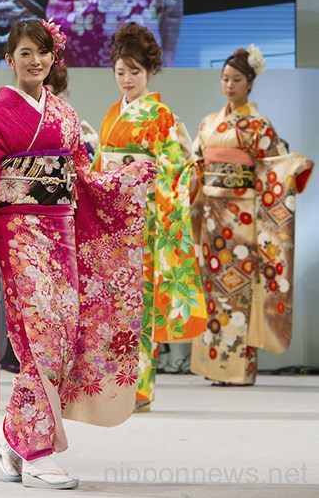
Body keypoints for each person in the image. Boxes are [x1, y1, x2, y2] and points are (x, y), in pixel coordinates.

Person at [0, 19, 155, 489]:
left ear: (54, 58)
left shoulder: (66, 116)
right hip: (18, 235)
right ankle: (34, 451)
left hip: (63, 232)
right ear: (10, 59)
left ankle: (13, 432)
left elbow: (81, 179)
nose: (36, 61)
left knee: (65, 333)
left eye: (44, 52)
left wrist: (124, 180)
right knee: (41, 336)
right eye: (26, 53)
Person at [90, 22, 207, 412]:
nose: (126, 80)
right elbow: (99, 167)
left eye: (134, 72)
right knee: (112, 303)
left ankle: (138, 388)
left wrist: (180, 162)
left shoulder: (159, 115)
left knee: (139, 304)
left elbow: (173, 170)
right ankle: (112, 383)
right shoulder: (111, 113)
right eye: (120, 72)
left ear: (150, 71)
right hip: (112, 223)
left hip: (142, 221)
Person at [190, 46, 313, 385]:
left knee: (239, 289)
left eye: (237, 79)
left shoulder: (259, 125)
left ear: (250, 83)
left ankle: (238, 368)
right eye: (225, 78)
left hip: (242, 218)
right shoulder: (207, 123)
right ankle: (214, 366)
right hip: (212, 216)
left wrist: (293, 167)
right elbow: (196, 165)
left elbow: (274, 165)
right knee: (213, 287)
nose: (229, 85)